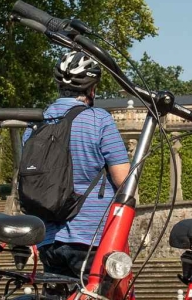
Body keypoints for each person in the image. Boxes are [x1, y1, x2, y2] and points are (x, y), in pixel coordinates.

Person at [24, 50, 132, 278]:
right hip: (91, 236)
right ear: (92, 89)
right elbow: (124, 180)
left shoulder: (36, 123)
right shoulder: (99, 120)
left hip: (48, 236)